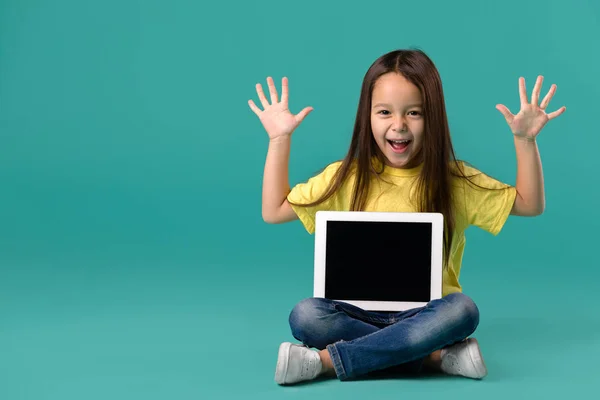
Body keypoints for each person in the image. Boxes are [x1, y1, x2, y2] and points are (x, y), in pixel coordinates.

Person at [247, 49, 566, 385]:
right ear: (366, 116)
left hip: (428, 314)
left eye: (414, 112)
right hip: (357, 313)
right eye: (384, 112)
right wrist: (279, 139)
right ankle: (431, 357)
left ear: (434, 117)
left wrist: (525, 140)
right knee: (306, 315)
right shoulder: (345, 176)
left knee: (462, 310)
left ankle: (327, 362)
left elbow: (530, 204)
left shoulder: (456, 181)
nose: (398, 125)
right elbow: (275, 210)